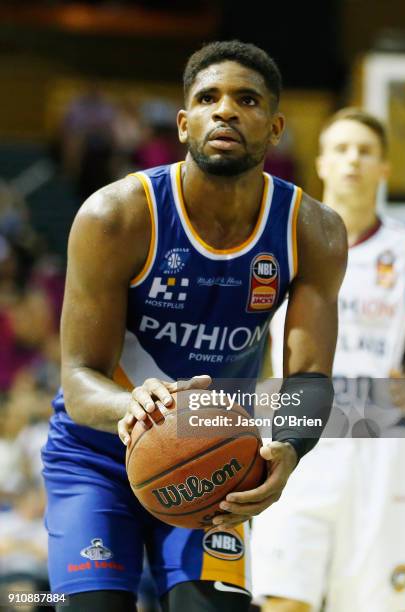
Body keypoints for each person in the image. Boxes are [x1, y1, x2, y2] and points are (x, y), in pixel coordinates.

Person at [41, 41, 347, 612]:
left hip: (216, 462)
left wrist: (290, 447)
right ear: (184, 124)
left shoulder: (313, 230)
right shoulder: (116, 216)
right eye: (208, 98)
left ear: (275, 126)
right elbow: (79, 378)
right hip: (97, 458)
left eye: (246, 100)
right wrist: (133, 408)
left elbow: (309, 378)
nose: (225, 110)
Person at [251, 108, 405, 612]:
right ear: (322, 162)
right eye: (343, 149)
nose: (353, 159)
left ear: (384, 169)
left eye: (365, 151)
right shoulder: (282, 241)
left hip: (379, 446)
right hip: (295, 436)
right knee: (285, 601)